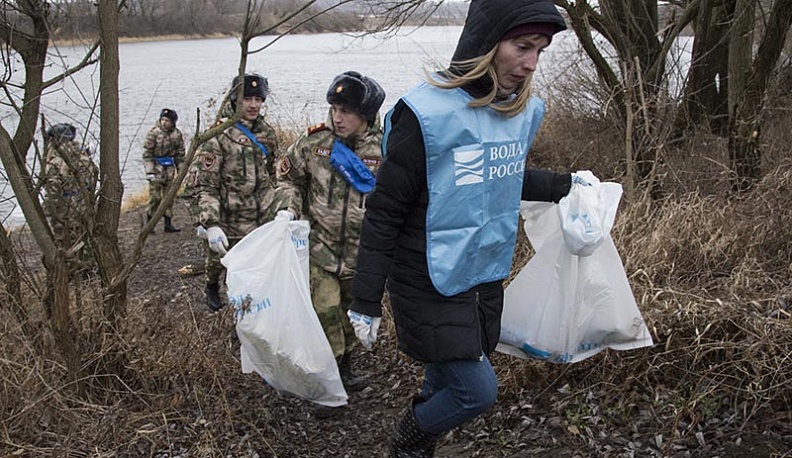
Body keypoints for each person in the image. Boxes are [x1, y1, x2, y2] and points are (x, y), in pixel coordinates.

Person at [346, 0, 579, 454]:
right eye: (522, 46)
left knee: (443, 373)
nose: (531, 63)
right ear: (487, 43)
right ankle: (408, 438)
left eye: (541, 50)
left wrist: (569, 186)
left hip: (482, 274)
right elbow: (386, 210)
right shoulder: (426, 115)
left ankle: (418, 448)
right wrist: (365, 298)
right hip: (427, 277)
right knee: (476, 391)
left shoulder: (518, 111)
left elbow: (502, 175)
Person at [269, 71, 386, 418]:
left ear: (365, 114)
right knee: (325, 314)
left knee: (349, 317)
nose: (337, 117)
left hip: (361, 255)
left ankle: (345, 369)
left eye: (346, 111)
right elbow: (287, 177)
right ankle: (327, 388)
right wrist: (286, 210)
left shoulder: (385, 148)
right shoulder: (314, 143)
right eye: (334, 108)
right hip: (319, 251)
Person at [186, 73, 280, 311]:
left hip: (260, 219)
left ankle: (247, 312)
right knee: (218, 261)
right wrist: (209, 222)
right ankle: (211, 284)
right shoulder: (219, 135)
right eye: (247, 98)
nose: (253, 105)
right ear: (235, 99)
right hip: (229, 218)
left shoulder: (267, 134)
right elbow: (205, 185)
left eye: (258, 99)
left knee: (252, 272)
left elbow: (271, 174)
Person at [42, 122, 99, 276]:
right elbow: (93, 176)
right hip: (83, 203)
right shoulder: (82, 156)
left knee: (64, 240)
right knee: (84, 235)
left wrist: (50, 211)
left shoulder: (55, 162)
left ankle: (70, 271)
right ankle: (87, 269)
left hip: (65, 208)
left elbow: (53, 191)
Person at [143, 108, 186, 233]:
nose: (164, 123)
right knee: (155, 198)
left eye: (167, 120)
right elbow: (147, 154)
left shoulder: (177, 134)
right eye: (163, 120)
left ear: (172, 122)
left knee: (169, 197)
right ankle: (149, 225)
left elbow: (180, 155)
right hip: (156, 169)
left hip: (169, 169)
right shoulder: (153, 133)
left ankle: (168, 224)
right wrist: (149, 171)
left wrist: (181, 172)